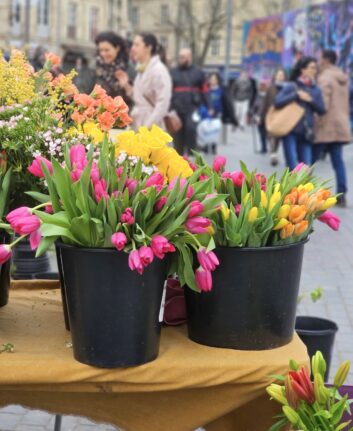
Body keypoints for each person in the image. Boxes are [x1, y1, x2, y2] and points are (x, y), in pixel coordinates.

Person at [313, 50, 351, 207]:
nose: (318, 61)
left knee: (310, 161)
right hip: (340, 125)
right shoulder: (342, 77)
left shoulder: (325, 78)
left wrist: (315, 122)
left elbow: (323, 103)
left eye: (320, 58)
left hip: (326, 125)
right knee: (338, 161)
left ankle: (297, 192)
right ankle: (342, 195)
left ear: (326, 60)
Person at [274, 57, 326, 170]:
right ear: (303, 70)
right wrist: (296, 95)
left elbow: (322, 110)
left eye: (315, 68)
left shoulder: (316, 89)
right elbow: (277, 102)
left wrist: (310, 100)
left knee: (305, 170)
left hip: (306, 133)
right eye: (311, 68)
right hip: (290, 130)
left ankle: (301, 189)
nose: (314, 71)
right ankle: (290, 188)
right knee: (292, 167)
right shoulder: (292, 86)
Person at [118, 33, 172, 130]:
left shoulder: (159, 70)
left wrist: (147, 127)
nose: (132, 49)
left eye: (137, 45)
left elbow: (163, 104)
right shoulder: (142, 68)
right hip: (139, 122)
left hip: (152, 126)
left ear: (148, 47)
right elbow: (140, 98)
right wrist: (126, 85)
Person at [170, 48, 211, 155]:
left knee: (191, 130)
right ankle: (178, 158)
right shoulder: (173, 72)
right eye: (180, 57)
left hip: (193, 108)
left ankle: (192, 156)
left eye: (183, 57)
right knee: (177, 135)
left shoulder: (199, 72)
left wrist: (209, 106)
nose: (180, 59)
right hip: (177, 108)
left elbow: (205, 90)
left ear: (189, 58)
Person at [198, 72, 237, 154]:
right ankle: (206, 145)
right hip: (206, 113)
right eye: (211, 79)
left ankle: (213, 146)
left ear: (218, 80)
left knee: (215, 130)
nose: (213, 81)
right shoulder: (205, 90)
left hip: (217, 113)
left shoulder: (221, 90)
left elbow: (226, 102)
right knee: (206, 129)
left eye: (214, 79)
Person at [94, 31, 134, 106]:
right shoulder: (96, 67)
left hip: (121, 115)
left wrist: (126, 86)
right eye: (101, 50)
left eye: (107, 50)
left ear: (117, 48)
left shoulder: (128, 68)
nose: (103, 54)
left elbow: (138, 99)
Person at [261, 68, 287, 165]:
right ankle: (273, 153)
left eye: (282, 75)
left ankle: (274, 152)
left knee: (278, 135)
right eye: (278, 75)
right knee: (271, 134)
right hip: (271, 114)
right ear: (275, 76)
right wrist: (262, 115)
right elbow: (265, 102)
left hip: (283, 115)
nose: (280, 77)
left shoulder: (287, 88)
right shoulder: (270, 88)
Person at [252, 80, 269, 154]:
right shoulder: (258, 96)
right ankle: (264, 147)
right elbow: (254, 106)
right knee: (262, 133)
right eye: (261, 86)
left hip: (267, 117)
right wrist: (253, 113)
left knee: (266, 134)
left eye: (263, 86)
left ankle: (268, 147)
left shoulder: (268, 96)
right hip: (259, 117)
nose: (261, 87)